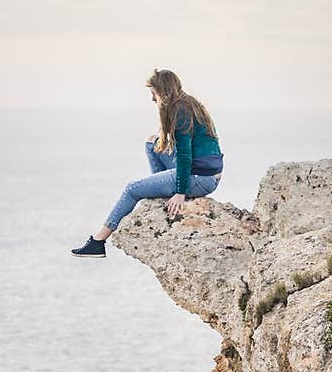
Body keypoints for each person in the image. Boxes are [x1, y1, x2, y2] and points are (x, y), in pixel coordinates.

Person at [72, 69, 223, 258]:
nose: (152, 99)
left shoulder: (180, 111)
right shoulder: (188, 103)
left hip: (201, 178)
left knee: (132, 189)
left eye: (154, 93)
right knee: (152, 143)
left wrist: (179, 192)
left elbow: (185, 156)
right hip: (205, 173)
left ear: (163, 91)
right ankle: (158, 191)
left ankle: (98, 242)